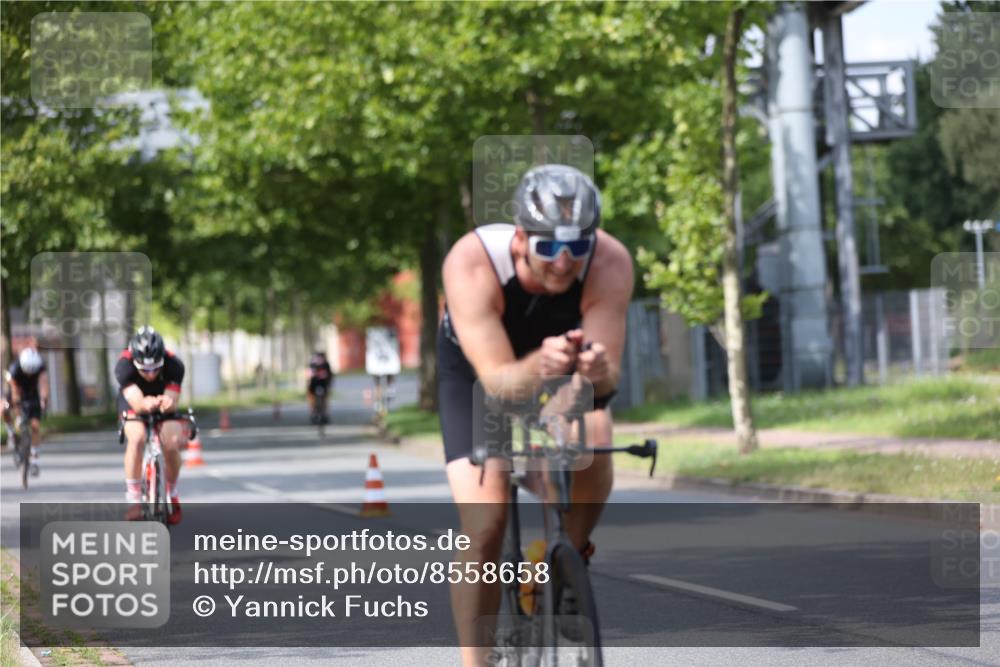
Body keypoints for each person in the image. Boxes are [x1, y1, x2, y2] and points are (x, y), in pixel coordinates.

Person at [437, 164, 633, 664]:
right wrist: (538, 367)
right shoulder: (472, 262)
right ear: (521, 239)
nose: (564, 263)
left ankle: (563, 562)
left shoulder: (609, 262)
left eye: (577, 247)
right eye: (548, 247)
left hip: (557, 372)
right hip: (479, 375)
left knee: (597, 432)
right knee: (486, 525)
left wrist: (598, 372)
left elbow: (604, 386)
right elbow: (499, 383)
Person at [115, 326, 186, 523]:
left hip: (162, 398)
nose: (151, 374)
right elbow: (137, 402)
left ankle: (172, 492)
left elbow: (172, 399)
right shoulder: (123, 366)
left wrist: (168, 402)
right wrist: (144, 404)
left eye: (156, 368)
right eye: (145, 370)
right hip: (133, 401)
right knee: (137, 438)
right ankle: (134, 499)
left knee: (171, 442)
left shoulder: (175, 365)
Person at [6, 347, 49, 475]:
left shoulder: (40, 366)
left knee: (35, 427)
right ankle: (11, 433)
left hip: (32, 395)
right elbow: (14, 390)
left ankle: (34, 460)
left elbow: (43, 384)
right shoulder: (14, 368)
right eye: (27, 371)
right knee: (4, 409)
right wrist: (18, 411)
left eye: (32, 371)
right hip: (17, 393)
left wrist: (44, 399)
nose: (30, 374)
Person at [307, 351, 333, 424]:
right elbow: (309, 375)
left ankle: (323, 413)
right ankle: (314, 413)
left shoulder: (325, 365)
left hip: (322, 385)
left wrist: (329, 383)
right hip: (314, 385)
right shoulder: (312, 365)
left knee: (323, 400)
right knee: (314, 400)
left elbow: (329, 375)